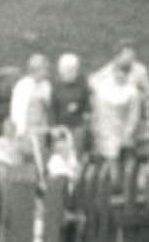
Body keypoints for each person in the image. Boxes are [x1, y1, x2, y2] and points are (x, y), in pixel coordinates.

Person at [93, 44, 144, 173]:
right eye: (127, 55)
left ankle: (130, 173)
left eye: (132, 55)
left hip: (131, 113)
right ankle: (113, 176)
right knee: (110, 142)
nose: (130, 58)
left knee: (128, 141)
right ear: (118, 56)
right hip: (111, 119)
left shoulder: (139, 71)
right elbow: (94, 82)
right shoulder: (108, 72)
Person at [50, 51, 92, 179]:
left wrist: (85, 120)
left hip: (77, 127)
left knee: (76, 156)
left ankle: (77, 179)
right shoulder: (56, 87)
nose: (72, 72)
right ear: (61, 71)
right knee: (61, 156)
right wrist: (53, 127)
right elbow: (52, 109)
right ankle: (62, 180)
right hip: (61, 128)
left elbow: (87, 108)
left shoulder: (82, 87)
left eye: (74, 69)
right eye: (68, 69)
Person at [8, 52, 53, 171]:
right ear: (35, 70)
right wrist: (18, 131)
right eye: (44, 69)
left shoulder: (46, 86)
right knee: (21, 165)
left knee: (39, 164)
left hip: (40, 132)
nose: (46, 72)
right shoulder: (22, 86)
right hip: (24, 132)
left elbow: (49, 109)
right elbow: (17, 111)